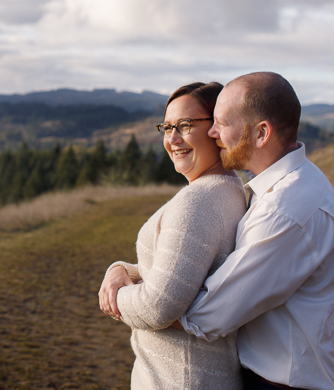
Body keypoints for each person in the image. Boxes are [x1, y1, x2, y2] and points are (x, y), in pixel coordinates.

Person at [178, 72, 334, 390]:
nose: (211, 132)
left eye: (222, 123)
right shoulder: (295, 182)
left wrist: (133, 297)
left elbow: (210, 314)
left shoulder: (286, 208)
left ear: (262, 133)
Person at [98, 82, 247, 390]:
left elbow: (158, 307)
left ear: (217, 128)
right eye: (167, 127)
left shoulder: (199, 202)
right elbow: (186, 269)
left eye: (185, 125)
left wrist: (115, 298)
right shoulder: (230, 188)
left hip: (180, 380)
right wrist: (122, 269)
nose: (173, 139)